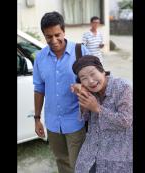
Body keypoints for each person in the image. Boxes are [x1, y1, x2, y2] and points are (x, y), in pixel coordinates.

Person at [33, 11, 90, 173]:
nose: (54, 40)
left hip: (76, 121)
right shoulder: (40, 58)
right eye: (48, 36)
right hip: (52, 124)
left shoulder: (80, 52)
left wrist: (83, 87)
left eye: (57, 34)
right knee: (61, 162)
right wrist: (37, 118)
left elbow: (97, 82)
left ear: (64, 31)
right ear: (44, 35)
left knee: (79, 165)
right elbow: (39, 88)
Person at [71, 55, 133, 173]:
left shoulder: (123, 87)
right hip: (92, 149)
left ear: (102, 71)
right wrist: (84, 100)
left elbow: (126, 121)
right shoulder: (90, 90)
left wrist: (98, 108)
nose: (90, 81)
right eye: (83, 78)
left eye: (93, 73)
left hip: (118, 153)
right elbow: (85, 118)